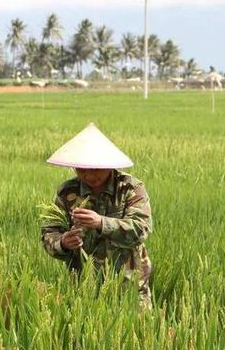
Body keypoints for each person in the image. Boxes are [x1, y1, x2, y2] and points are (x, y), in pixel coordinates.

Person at [41, 123, 153, 309]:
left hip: (128, 283)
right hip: (83, 284)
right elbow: (48, 233)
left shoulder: (130, 189)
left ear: (108, 165)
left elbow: (141, 229)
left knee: (139, 333)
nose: (89, 176)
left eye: (95, 170)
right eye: (82, 170)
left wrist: (101, 222)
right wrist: (63, 242)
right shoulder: (67, 192)